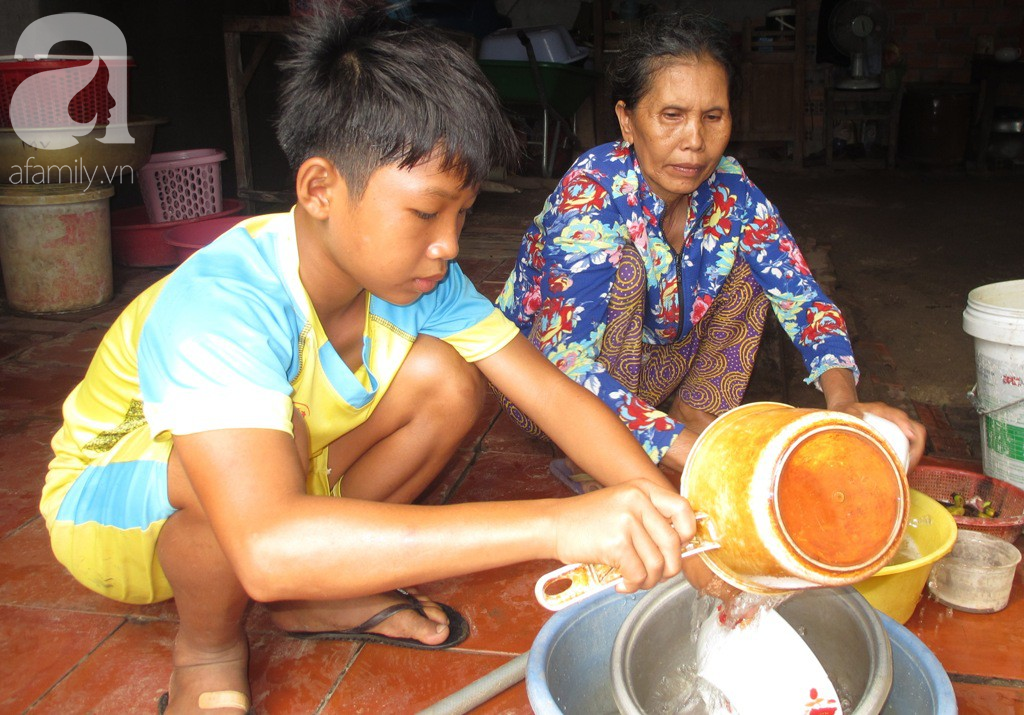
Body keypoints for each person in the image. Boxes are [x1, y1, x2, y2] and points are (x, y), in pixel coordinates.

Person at [39, 11, 699, 714]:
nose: (448, 244)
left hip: (282, 484)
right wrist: (557, 524)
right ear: (320, 189)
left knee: (447, 380)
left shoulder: (420, 279)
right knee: (259, 468)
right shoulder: (222, 302)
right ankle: (207, 644)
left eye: (463, 215)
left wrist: (662, 509)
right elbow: (262, 542)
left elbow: (550, 394)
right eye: (425, 214)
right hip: (118, 510)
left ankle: (313, 587)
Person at [495, 10, 926, 492]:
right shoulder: (592, 194)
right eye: (671, 116)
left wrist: (844, 403)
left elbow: (801, 297)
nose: (695, 143)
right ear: (627, 120)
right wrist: (703, 457)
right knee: (630, 269)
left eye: (713, 117)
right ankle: (618, 453)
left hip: (648, 375)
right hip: (547, 392)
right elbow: (565, 364)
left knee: (752, 263)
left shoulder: (731, 188)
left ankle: (691, 419)